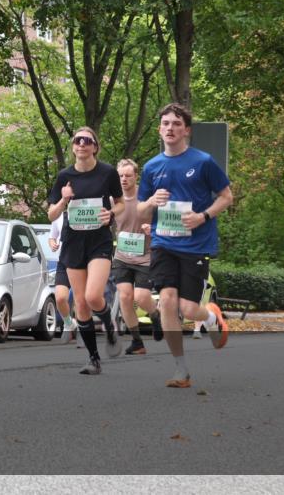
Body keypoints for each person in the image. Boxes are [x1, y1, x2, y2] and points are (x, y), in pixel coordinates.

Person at [138, 103, 231, 389]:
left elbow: (226, 197)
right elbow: (140, 211)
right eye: (166, 123)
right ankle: (181, 369)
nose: (170, 128)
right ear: (159, 129)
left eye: (176, 124)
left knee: (189, 310)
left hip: (195, 245)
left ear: (186, 130)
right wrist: (151, 202)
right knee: (166, 301)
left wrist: (202, 217)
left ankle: (211, 317)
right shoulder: (151, 167)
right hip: (163, 243)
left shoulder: (203, 161)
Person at [47, 127, 124, 375]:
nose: (81, 144)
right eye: (77, 140)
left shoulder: (107, 172)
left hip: (99, 241)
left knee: (92, 296)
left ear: (95, 147)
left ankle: (109, 325)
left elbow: (121, 204)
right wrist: (64, 199)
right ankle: (93, 359)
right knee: (80, 303)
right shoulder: (64, 176)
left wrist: (110, 213)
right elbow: (51, 215)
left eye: (87, 140)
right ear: (73, 147)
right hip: (73, 242)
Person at [111, 159, 161, 355]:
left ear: (136, 176)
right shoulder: (113, 199)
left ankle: (155, 315)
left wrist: (153, 229)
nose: (124, 179)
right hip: (122, 256)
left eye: (128, 175)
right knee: (125, 296)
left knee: (141, 297)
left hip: (145, 256)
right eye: (120, 176)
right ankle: (137, 342)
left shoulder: (146, 196)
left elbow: (163, 218)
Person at [47, 213, 77, 345]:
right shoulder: (59, 215)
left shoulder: (86, 212)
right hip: (64, 261)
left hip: (82, 262)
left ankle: (83, 330)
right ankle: (68, 323)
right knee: (60, 298)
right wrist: (53, 244)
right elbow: (52, 237)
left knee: (80, 299)